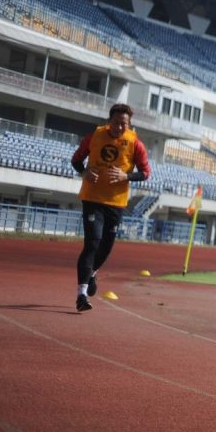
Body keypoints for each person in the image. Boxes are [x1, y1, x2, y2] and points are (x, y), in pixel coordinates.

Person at [70, 103, 151, 312]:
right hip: (92, 197)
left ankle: (93, 272)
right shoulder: (95, 136)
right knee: (92, 243)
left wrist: (126, 175)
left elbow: (145, 172)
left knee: (106, 247)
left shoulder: (135, 144)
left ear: (129, 124)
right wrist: (85, 172)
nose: (119, 127)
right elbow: (76, 160)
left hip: (116, 202)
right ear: (109, 122)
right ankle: (82, 294)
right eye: (116, 122)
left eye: (124, 124)